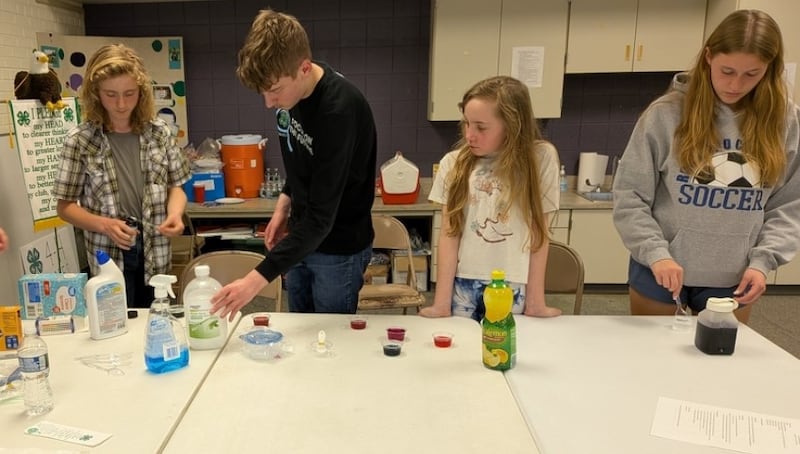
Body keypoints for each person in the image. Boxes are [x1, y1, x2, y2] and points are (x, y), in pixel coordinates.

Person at [612, 9, 800, 324]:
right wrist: (656, 254)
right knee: (651, 363)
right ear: (708, 57)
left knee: (719, 366)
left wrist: (762, 262)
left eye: (751, 74)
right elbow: (630, 195)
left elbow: (790, 205)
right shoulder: (665, 114)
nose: (736, 84)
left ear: (770, 69)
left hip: (735, 276)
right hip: (660, 269)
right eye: (727, 70)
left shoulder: (787, 122)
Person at [210, 9, 376, 319]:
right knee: (299, 333)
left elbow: (322, 217)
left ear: (303, 68)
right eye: (263, 92)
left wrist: (254, 281)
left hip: (338, 246)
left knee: (330, 341)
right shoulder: (292, 93)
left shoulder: (339, 111)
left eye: (273, 91)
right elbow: (303, 158)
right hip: (302, 237)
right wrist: (282, 206)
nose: (268, 103)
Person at [53, 44, 190, 308]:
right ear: (95, 94)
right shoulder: (80, 141)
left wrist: (174, 214)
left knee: (158, 321)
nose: (121, 104)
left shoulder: (159, 133)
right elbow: (65, 207)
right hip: (108, 256)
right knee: (115, 327)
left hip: (156, 251)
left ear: (142, 92)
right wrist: (105, 224)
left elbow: (176, 187)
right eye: (111, 94)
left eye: (129, 93)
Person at [419, 76, 562, 321]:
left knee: (505, 353)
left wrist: (536, 302)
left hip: (513, 284)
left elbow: (539, 232)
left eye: (481, 127)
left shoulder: (540, 159)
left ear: (513, 125)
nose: (470, 135)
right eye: (466, 124)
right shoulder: (453, 163)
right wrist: (441, 303)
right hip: (463, 285)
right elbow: (449, 233)